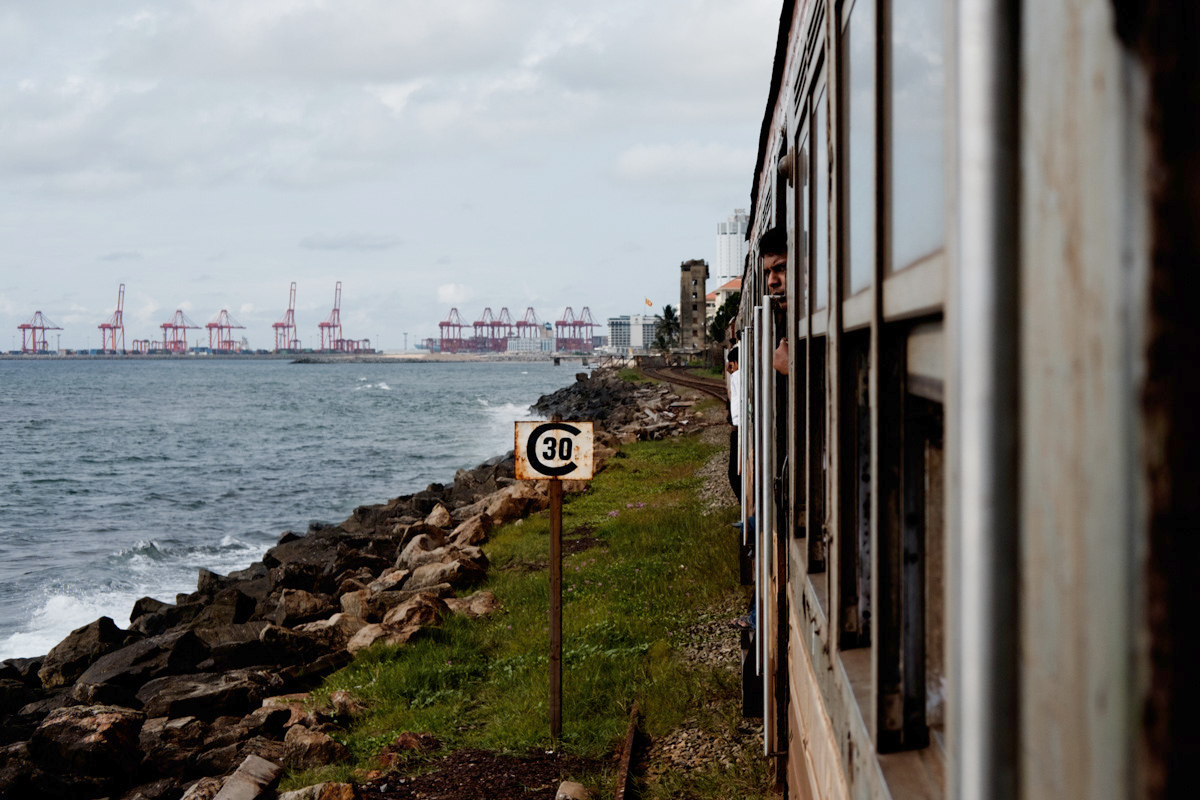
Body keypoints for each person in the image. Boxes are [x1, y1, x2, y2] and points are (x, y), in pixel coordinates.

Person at [726, 346, 741, 501]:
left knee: (733, 474)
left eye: (731, 364)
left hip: (738, 429)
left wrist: (732, 373)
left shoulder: (737, 376)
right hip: (740, 428)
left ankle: (745, 506)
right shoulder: (740, 375)